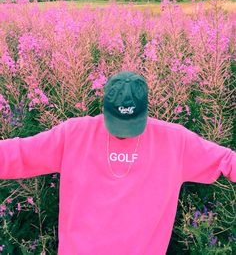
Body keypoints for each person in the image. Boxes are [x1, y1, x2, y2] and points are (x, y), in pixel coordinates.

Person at [0, 70, 235, 255]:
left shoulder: (175, 140)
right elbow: (19, 153)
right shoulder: (73, 134)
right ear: (104, 108)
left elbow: (226, 160)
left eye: (131, 125)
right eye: (117, 124)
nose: (123, 134)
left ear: (145, 111)